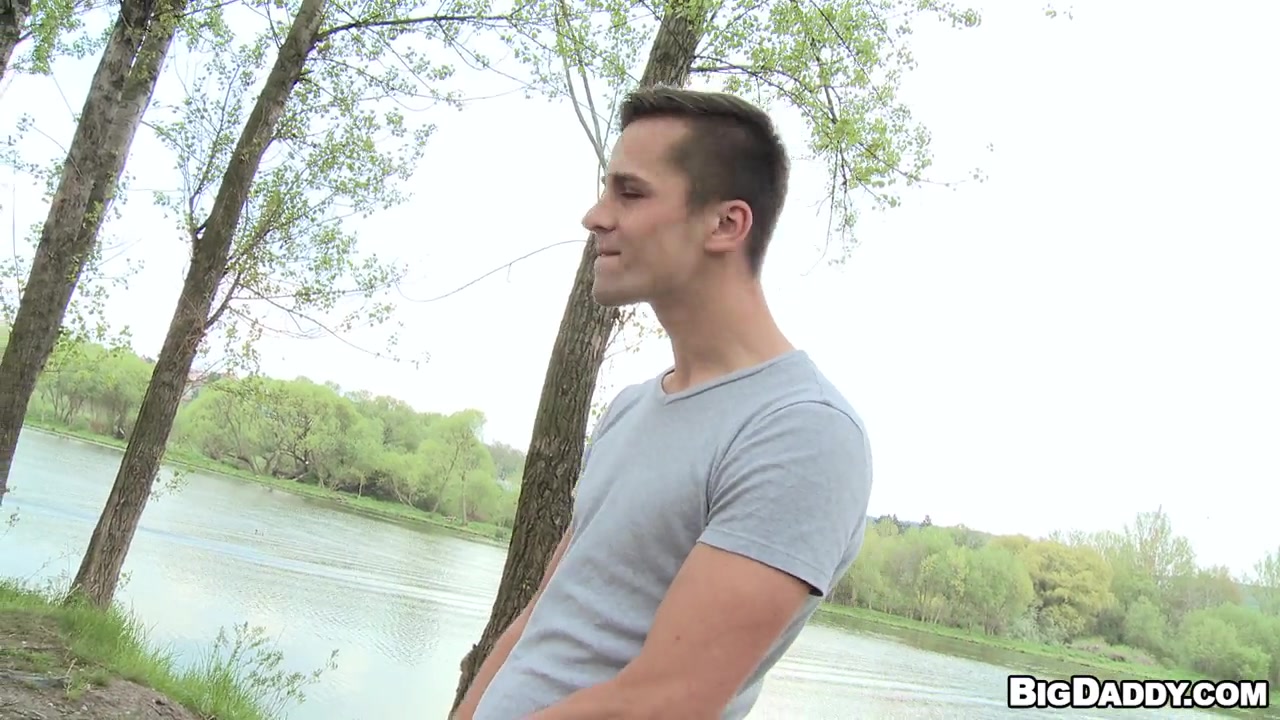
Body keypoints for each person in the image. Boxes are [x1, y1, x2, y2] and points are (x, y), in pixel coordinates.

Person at [455, 86, 874, 720]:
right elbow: (542, 616)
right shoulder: (630, 408)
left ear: (726, 224)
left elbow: (662, 702)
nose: (595, 217)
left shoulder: (802, 433)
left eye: (630, 193)